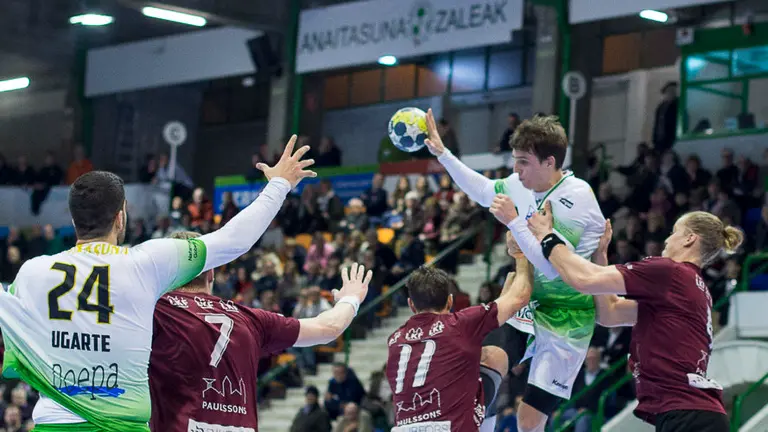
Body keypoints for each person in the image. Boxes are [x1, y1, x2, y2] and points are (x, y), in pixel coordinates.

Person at [0, 135, 317, 431]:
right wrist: (279, 184)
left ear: (73, 220)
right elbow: (234, 240)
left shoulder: (33, 273)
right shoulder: (146, 263)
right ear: (121, 217)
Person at [423, 109, 606, 431]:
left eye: (524, 162)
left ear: (549, 162)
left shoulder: (575, 197)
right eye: (515, 160)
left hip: (568, 315)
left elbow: (553, 267)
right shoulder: (523, 183)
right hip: (529, 304)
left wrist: (514, 222)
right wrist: (444, 154)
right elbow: (483, 190)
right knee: (484, 362)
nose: (516, 170)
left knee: (529, 419)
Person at [526, 207, 741, 432]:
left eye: (674, 232)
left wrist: (546, 236)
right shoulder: (691, 286)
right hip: (692, 413)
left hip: (687, 414)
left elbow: (583, 279)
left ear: (690, 238)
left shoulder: (670, 272)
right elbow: (610, 313)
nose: (667, 239)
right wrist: (600, 255)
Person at [149, 229, 372, 431]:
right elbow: (328, 327)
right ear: (211, 274)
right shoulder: (251, 319)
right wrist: (350, 298)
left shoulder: (157, 311)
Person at [385, 235, 533, 432]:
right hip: (449, 428)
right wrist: (521, 254)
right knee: (492, 356)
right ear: (450, 301)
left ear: (411, 305)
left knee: (473, 361)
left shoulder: (394, 340)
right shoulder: (458, 324)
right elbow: (520, 297)